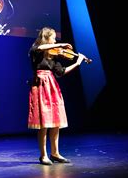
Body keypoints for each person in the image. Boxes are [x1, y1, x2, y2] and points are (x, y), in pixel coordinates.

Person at [28, 27, 87, 165]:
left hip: (52, 87)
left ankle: (55, 153)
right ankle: (43, 155)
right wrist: (60, 44)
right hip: (41, 86)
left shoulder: (53, 57)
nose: (55, 40)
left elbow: (61, 72)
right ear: (47, 38)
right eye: (53, 38)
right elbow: (41, 47)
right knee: (44, 124)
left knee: (55, 121)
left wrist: (77, 63)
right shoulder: (36, 50)